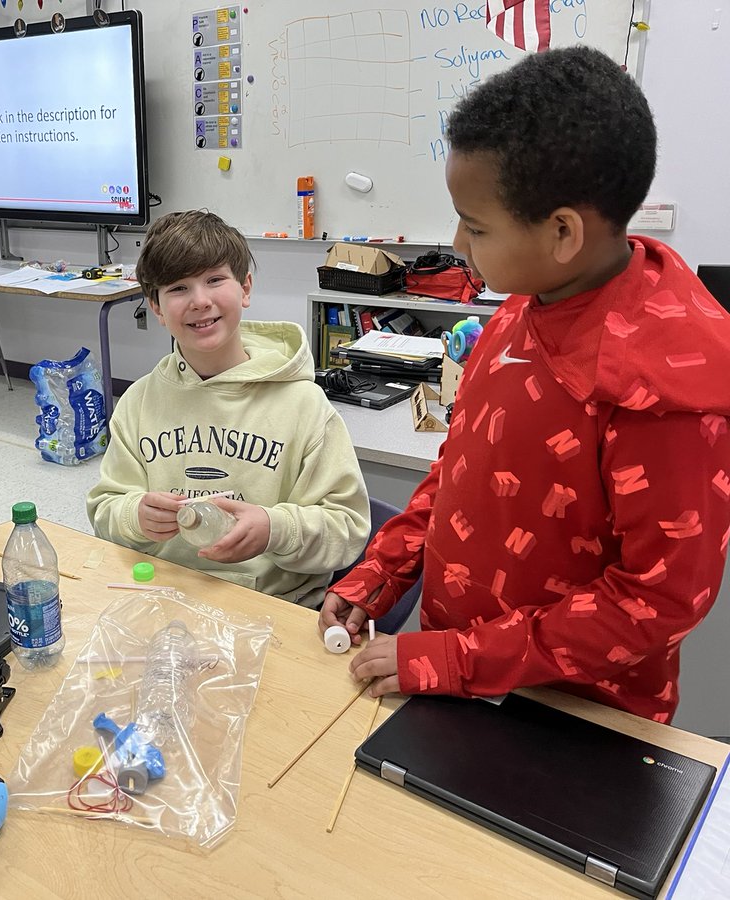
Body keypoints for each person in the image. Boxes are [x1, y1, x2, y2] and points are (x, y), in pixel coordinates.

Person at [323, 47, 730, 723]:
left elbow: (654, 603)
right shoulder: (529, 299)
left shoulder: (665, 386)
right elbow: (463, 467)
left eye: (476, 226)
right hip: (459, 677)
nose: (456, 242)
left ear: (563, 232)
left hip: (571, 719)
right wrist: (382, 572)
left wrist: (455, 659)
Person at [87, 210, 370, 604]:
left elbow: (347, 529)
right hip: (165, 597)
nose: (200, 301)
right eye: (178, 288)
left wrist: (275, 528)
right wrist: (134, 515)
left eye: (215, 280)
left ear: (245, 288)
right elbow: (105, 508)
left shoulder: (305, 406)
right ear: (155, 307)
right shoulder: (139, 403)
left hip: (272, 607)